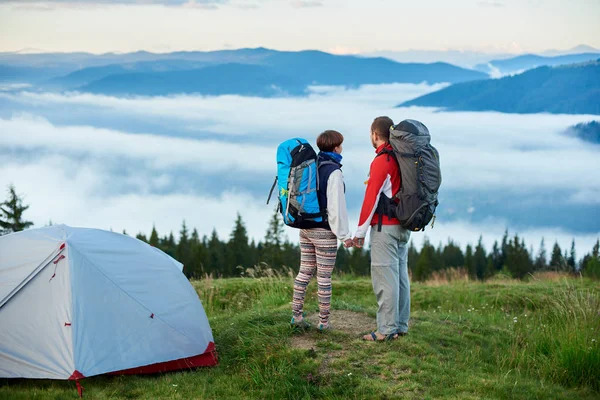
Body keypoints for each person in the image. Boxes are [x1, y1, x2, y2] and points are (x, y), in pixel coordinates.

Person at [353, 116, 411, 341]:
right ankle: (400, 326)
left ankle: (385, 331)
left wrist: (359, 233)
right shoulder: (401, 157)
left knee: (385, 280)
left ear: (375, 135)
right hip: (403, 225)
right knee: (399, 278)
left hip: (385, 229)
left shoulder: (382, 161)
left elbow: (371, 199)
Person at [291, 130, 353, 331]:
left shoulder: (311, 165)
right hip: (324, 232)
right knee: (324, 277)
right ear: (336, 147)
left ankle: (296, 317)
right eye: (340, 145)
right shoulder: (333, 171)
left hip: (305, 228)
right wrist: (344, 235)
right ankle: (324, 323)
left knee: (304, 272)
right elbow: (336, 207)